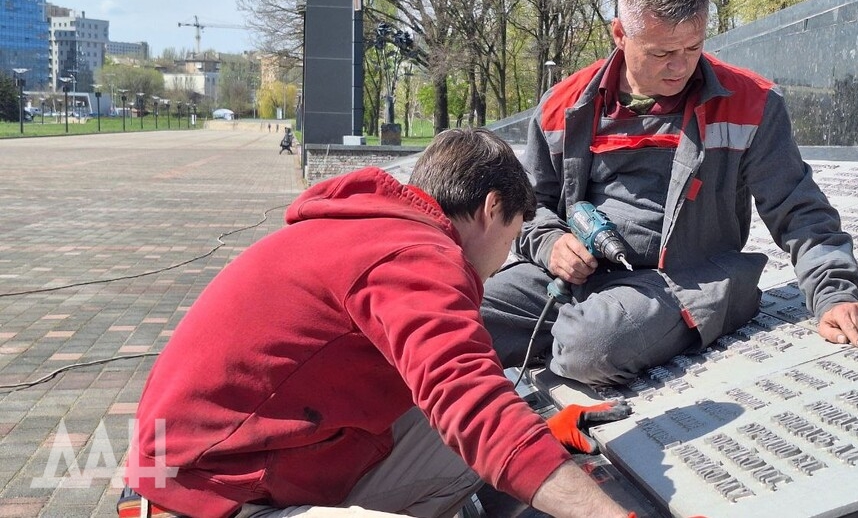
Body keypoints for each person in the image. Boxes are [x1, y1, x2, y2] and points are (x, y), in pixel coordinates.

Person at [123, 128, 633, 518]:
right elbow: (467, 399)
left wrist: (538, 435)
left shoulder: (369, 226)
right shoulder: (418, 256)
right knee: (474, 445)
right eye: (513, 234)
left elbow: (448, 395)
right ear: (490, 208)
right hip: (203, 495)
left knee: (462, 454)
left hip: (200, 460)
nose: (504, 260)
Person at [481, 0, 858, 387]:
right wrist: (553, 243)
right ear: (619, 35)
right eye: (661, 52)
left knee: (589, 349)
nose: (680, 67)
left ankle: (584, 333)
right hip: (574, 278)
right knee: (461, 315)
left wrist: (834, 294)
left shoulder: (751, 103)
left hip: (682, 282)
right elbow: (527, 207)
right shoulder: (563, 106)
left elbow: (799, 209)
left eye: (693, 48)